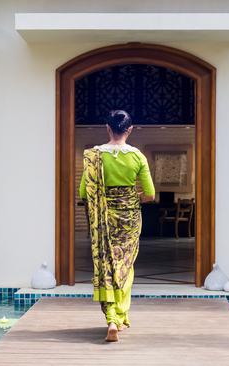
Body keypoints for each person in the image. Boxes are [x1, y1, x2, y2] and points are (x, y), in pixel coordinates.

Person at [78, 110, 155, 342]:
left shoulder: (94, 156)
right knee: (125, 265)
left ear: (108, 128)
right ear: (129, 130)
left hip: (103, 219)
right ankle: (119, 316)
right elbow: (150, 194)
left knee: (106, 264)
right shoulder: (137, 157)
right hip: (129, 219)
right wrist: (131, 199)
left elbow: (83, 192)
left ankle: (111, 316)